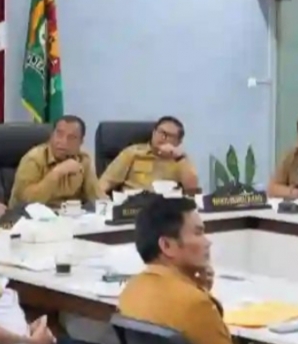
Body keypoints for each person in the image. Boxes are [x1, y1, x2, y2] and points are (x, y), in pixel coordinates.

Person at [118, 195, 231, 344]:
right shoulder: (196, 305)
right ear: (166, 245)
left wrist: (197, 288)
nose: (207, 242)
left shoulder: (130, 291)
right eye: (198, 233)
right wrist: (202, 296)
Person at [10, 115, 105, 208]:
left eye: (71, 138)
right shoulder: (34, 159)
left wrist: (109, 209)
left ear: (80, 142)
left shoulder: (83, 159)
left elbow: (97, 197)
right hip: (33, 215)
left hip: (70, 215)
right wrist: (57, 173)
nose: (63, 142)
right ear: (51, 136)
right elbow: (26, 201)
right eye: (59, 134)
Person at [99, 116, 199, 194]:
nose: (163, 138)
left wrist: (179, 158)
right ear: (153, 132)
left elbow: (192, 191)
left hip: (166, 208)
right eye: (161, 133)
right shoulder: (132, 153)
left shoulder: (181, 160)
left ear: (178, 142)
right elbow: (106, 182)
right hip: (134, 206)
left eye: (170, 136)